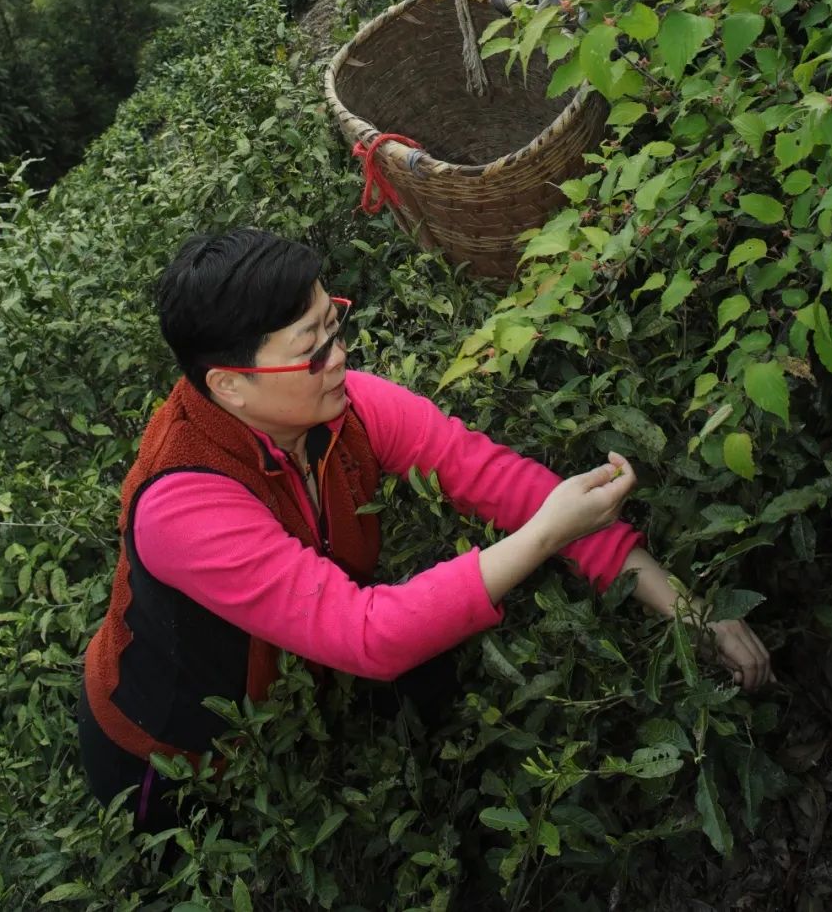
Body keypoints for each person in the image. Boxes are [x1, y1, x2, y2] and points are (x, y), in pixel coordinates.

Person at [79, 228, 772, 827]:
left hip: (298, 689)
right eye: (310, 347)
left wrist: (683, 604)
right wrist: (546, 537)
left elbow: (503, 485)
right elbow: (367, 633)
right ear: (230, 384)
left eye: (334, 324)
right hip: (167, 755)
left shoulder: (347, 409)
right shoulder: (183, 505)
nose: (339, 354)